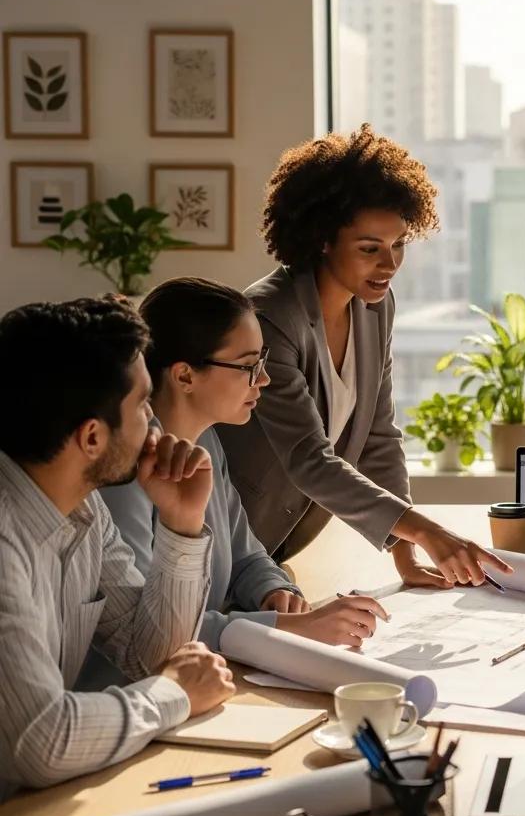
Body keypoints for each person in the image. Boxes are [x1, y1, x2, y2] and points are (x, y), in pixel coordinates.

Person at [218, 124, 512, 587]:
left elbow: (377, 433)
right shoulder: (269, 317)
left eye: (398, 245)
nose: (390, 264)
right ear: (322, 240)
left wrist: (405, 553)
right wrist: (427, 529)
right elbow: (308, 458)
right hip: (226, 541)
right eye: (369, 249)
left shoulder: (374, 307)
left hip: (276, 549)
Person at [0, 297, 233, 800]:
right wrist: (173, 695)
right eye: (144, 404)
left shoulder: (86, 510)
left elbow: (150, 655)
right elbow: (41, 739)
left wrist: (181, 522)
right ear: (91, 437)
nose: (155, 424)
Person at [93, 278, 387, 670]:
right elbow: (150, 630)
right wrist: (286, 627)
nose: (263, 379)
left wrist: (274, 591)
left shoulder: (208, 441)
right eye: (249, 366)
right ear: (184, 376)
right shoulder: (124, 471)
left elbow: (246, 554)